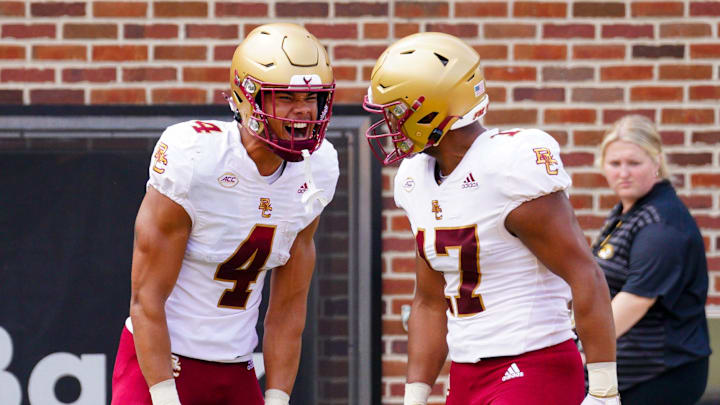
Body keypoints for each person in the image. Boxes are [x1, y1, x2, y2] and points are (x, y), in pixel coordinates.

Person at [363, 32, 620, 405]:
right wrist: (414, 397)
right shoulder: (414, 177)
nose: (388, 122)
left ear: (429, 109)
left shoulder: (509, 164)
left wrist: (604, 389)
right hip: (466, 371)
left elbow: (585, 273)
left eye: (395, 110)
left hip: (534, 362)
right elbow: (430, 301)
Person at [110, 23, 339, 405]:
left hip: (237, 368)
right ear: (249, 98)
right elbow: (146, 300)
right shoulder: (195, 157)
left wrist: (278, 398)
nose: (303, 111)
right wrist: (165, 397)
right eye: (286, 97)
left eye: (312, 98)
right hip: (162, 364)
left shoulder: (319, 167)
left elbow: (287, 309)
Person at [593, 115, 711, 404]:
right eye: (615, 164)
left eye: (634, 163)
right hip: (629, 368)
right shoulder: (627, 212)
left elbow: (634, 302)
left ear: (656, 162)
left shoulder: (661, 226)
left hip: (659, 375)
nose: (623, 173)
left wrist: (583, 350)